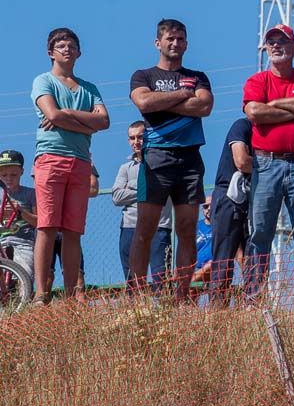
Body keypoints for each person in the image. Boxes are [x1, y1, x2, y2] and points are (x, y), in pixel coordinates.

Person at [127, 18, 213, 298]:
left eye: (180, 39)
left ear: (186, 44)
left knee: (186, 229)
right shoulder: (143, 76)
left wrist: (162, 102)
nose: (175, 43)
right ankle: (137, 293)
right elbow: (143, 102)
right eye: (170, 39)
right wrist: (182, 95)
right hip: (156, 158)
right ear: (158, 43)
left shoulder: (198, 76)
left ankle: (182, 294)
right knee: (145, 228)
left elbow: (204, 106)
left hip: (189, 159)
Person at [242, 24, 294, 296]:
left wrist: (275, 105)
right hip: (266, 164)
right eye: (271, 42)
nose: (276, 45)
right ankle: (254, 296)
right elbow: (254, 112)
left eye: (282, 41)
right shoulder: (257, 81)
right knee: (260, 232)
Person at [30, 27, 109, 303]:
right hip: (51, 158)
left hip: (81, 161)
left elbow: (104, 121)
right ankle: (41, 294)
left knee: (74, 231)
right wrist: (86, 124)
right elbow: (51, 114)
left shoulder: (90, 88)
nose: (67, 49)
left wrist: (67, 114)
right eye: (61, 45)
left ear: (79, 52)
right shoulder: (43, 81)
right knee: (47, 226)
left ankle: (72, 295)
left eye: (71, 45)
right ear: (50, 52)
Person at [111, 121, 171, 285]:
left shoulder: (166, 164)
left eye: (140, 137)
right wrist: (145, 190)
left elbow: (165, 191)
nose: (136, 142)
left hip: (159, 226)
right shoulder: (125, 168)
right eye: (132, 138)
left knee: (161, 279)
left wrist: (131, 189)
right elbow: (117, 197)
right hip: (130, 227)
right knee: (132, 281)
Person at [209, 117, 253, 305]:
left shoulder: (267, 133)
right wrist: (270, 166)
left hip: (252, 198)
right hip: (229, 196)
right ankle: (218, 308)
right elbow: (241, 161)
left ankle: (253, 305)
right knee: (223, 257)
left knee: (253, 256)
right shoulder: (242, 126)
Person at [0, 149, 38, 281]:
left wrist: (21, 212)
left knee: (25, 273)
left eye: (13, 174)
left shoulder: (31, 194)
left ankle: (23, 291)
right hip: (1, 241)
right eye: (4, 175)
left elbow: (38, 222)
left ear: (22, 171)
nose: (8, 178)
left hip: (24, 242)